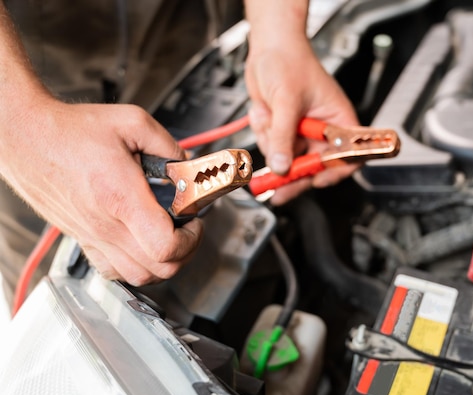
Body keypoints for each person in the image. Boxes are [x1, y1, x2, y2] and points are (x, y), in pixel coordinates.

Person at [0, 0, 358, 306]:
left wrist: (277, 35)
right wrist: (24, 127)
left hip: (177, 28)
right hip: (23, 68)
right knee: (60, 289)